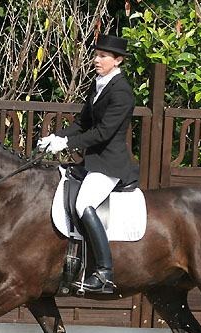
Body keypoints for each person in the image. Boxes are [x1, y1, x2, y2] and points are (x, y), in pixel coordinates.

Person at [37, 34, 139, 294]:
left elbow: (103, 133)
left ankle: (105, 272)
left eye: (103, 56)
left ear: (117, 61)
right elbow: (83, 124)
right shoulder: (99, 85)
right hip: (92, 162)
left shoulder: (122, 92)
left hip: (110, 165)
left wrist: (67, 145)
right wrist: (58, 137)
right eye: (96, 55)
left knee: (84, 204)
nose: (97, 60)